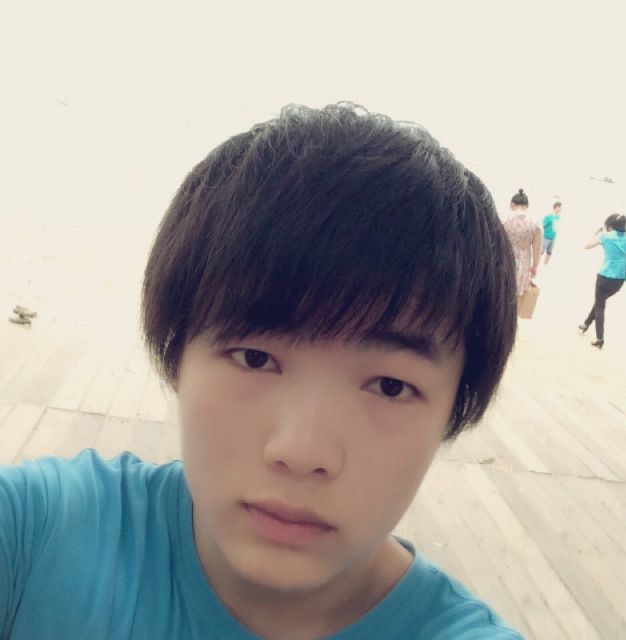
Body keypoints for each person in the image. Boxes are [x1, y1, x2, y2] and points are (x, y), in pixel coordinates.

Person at [0, 103, 522, 639]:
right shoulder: (35, 534)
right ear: (177, 356)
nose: (301, 452)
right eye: (255, 358)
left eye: (390, 386)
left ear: (454, 410)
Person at [579, 213, 626, 349]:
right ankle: (586, 324)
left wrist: (595, 233)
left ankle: (599, 338)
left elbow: (587, 246)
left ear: (611, 225)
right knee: (600, 302)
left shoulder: (605, 236)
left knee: (600, 305)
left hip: (604, 276)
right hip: (619, 279)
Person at [502, 188, 542, 316]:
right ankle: (512, 320)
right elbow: (537, 248)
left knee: (502, 293)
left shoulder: (503, 219)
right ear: (527, 206)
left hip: (504, 261)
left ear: (512, 204)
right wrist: (535, 266)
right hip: (523, 264)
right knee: (516, 298)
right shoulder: (535, 223)